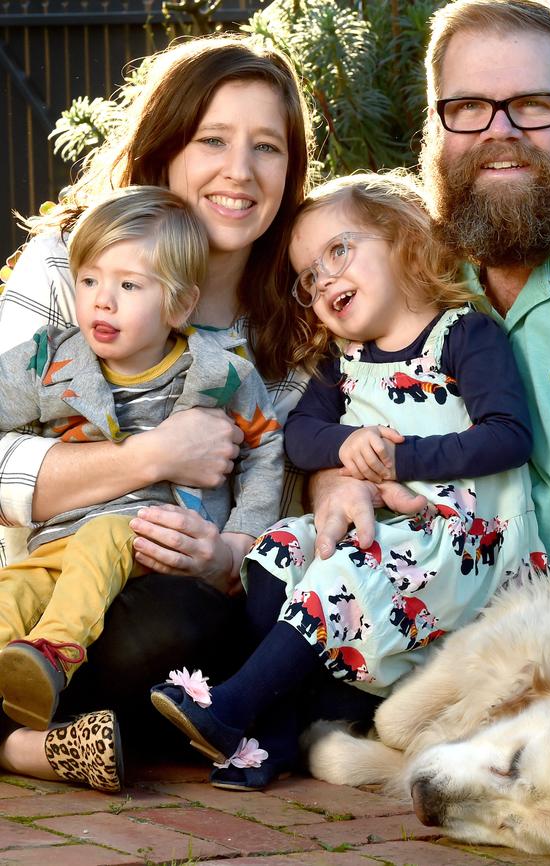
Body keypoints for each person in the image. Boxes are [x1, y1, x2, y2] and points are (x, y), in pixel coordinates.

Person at [149, 172, 547, 791]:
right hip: (385, 530)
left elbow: (508, 435)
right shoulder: (342, 361)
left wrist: (397, 459)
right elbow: (302, 436)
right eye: (308, 276)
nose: (323, 278)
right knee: (276, 551)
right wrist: (346, 444)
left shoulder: (464, 334)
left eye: (339, 251)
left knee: (341, 570)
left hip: (467, 540)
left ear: (403, 239)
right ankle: (272, 736)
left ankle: (232, 706)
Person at [0, 34, 314, 788]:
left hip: (164, 607)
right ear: (166, 147)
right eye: (213, 139)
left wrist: (230, 557)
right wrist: (152, 457)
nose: (239, 171)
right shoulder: (68, 266)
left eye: (266, 147)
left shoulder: (298, 325)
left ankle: (25, 737)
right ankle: (24, 745)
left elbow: (302, 503)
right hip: (42, 572)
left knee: (176, 634)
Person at [313, 0, 550, 587]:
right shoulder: (418, 257)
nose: (500, 130)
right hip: (427, 593)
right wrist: (335, 476)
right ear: (437, 123)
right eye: (468, 106)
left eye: (534, 104)